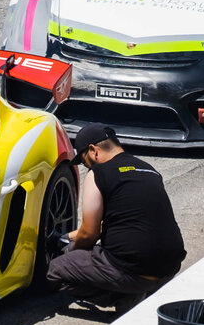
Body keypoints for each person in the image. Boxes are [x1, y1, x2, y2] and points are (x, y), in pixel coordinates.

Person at [47, 122, 185, 306]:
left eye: (83, 161)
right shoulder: (148, 169)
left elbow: (89, 234)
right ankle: (142, 290)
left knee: (55, 271)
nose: (86, 167)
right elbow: (122, 221)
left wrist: (70, 251)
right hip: (169, 267)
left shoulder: (98, 173)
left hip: (131, 269)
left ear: (93, 150)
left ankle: (125, 297)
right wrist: (66, 236)